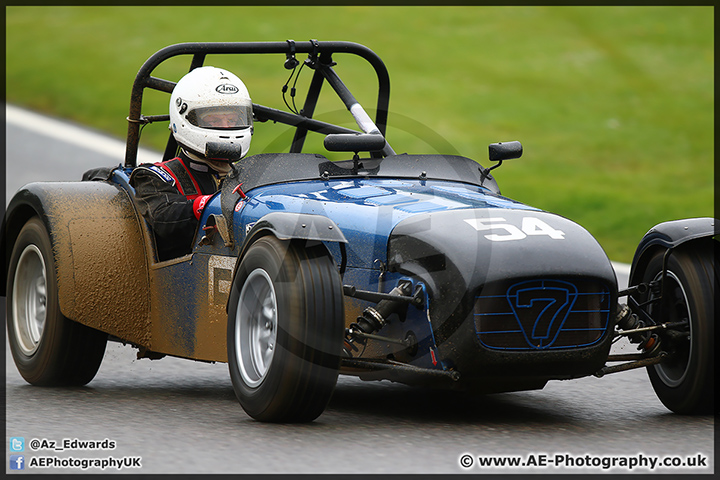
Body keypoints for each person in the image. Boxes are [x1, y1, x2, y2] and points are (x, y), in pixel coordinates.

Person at [130, 66, 253, 260]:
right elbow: (164, 219)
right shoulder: (155, 177)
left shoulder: (252, 174)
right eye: (214, 121)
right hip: (183, 278)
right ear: (186, 118)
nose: (226, 127)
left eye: (233, 119)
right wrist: (208, 204)